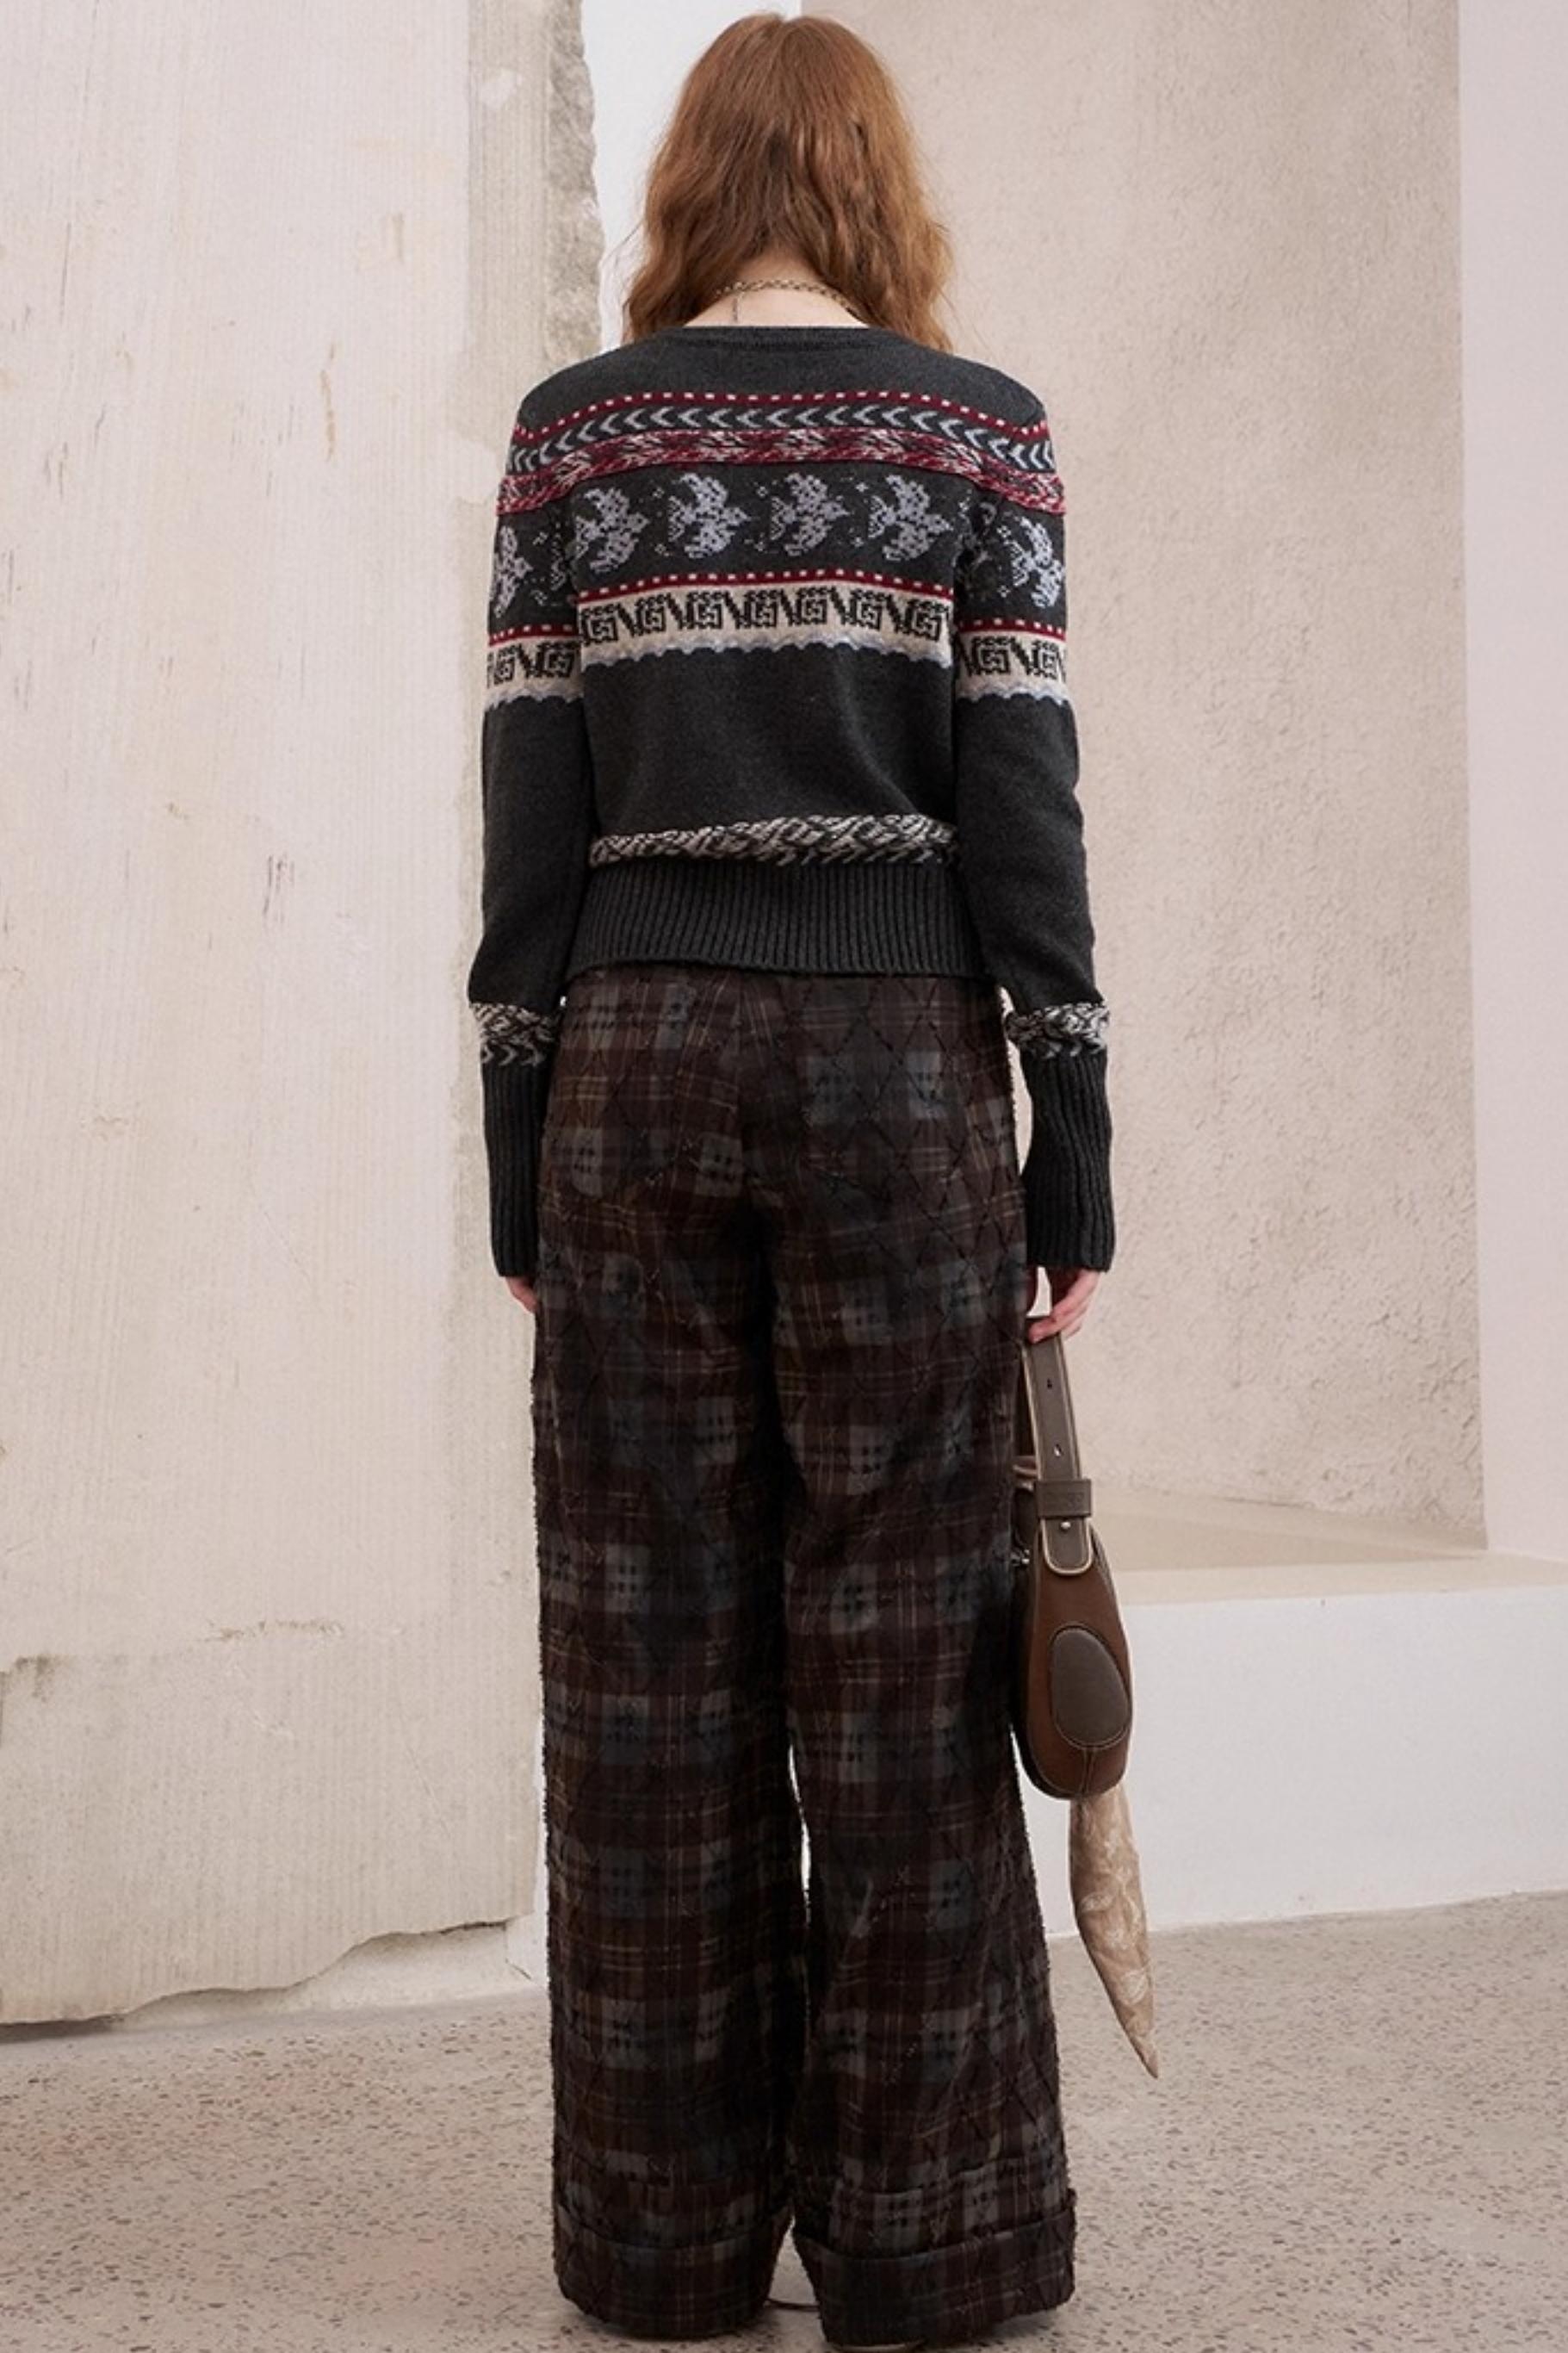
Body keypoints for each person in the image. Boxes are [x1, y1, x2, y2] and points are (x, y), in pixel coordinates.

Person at [465, 15, 1115, 2348]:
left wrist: (518, 1143)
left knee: (644, 1664)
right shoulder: (979, 432)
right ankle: (928, 2249)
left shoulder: (575, 435)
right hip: (896, 1076)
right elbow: (1021, 802)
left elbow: (530, 819)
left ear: (692, 184)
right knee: (911, 1664)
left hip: (632, 1069)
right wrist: (1071, 1131)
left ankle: (656, 2250)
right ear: (870, 185)